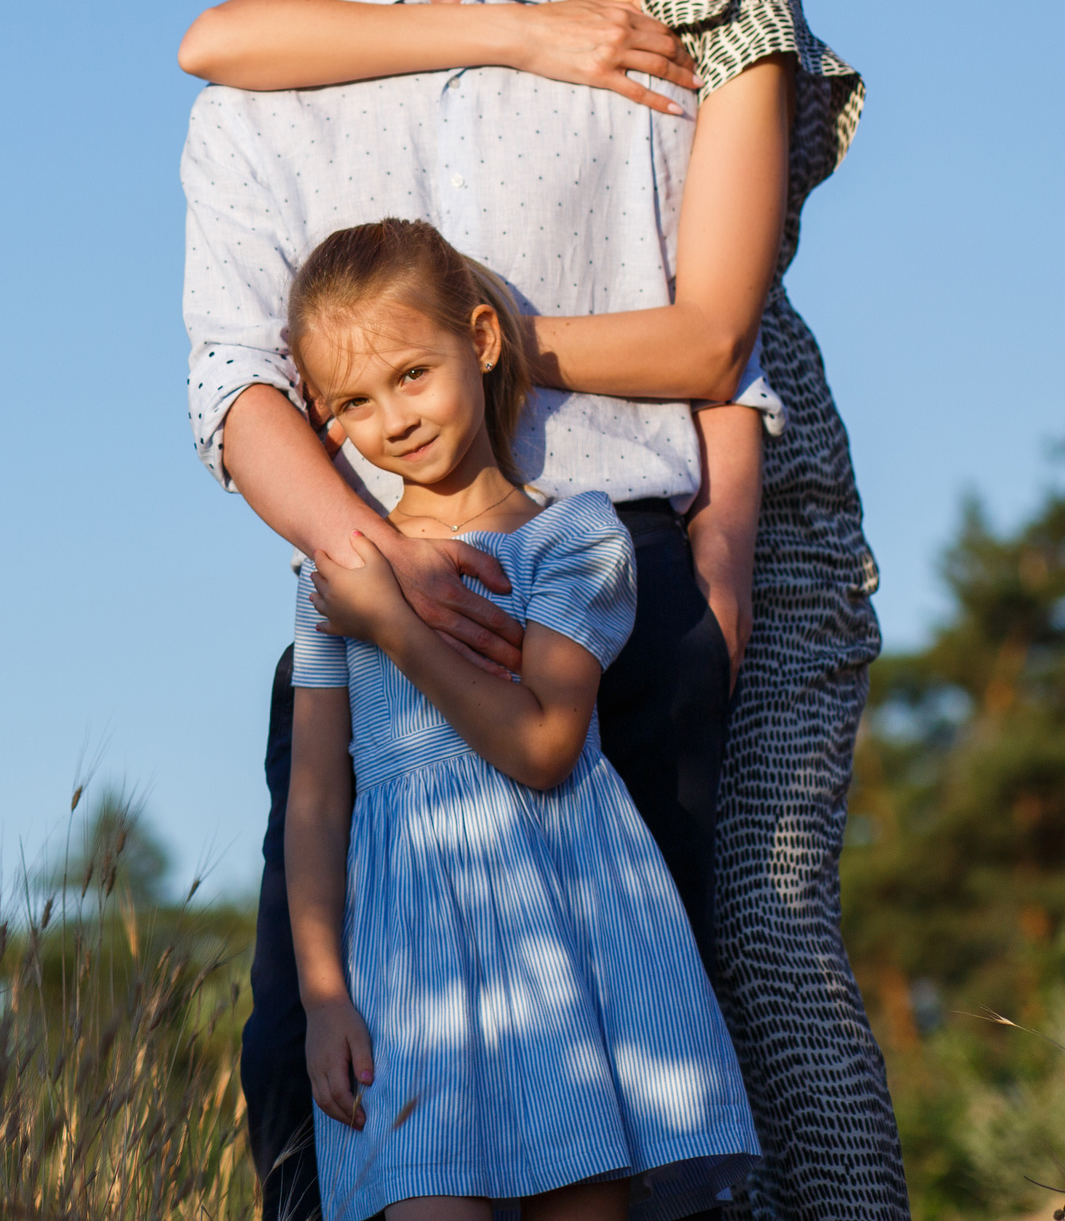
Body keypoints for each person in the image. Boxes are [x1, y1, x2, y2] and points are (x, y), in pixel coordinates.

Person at [181, 0, 900, 1221]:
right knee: (314, 1067)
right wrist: (365, 563)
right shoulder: (256, 100)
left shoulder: (648, 22)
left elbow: (721, 337)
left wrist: (719, 566)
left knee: (680, 1062)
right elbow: (233, 383)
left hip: (620, 575)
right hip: (382, 593)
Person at [283, 218, 755, 1221]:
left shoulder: (571, 539)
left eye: (412, 374)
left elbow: (542, 747)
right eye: (355, 401)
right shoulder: (334, 578)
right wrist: (323, 993)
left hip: (567, 949)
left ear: (483, 340)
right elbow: (316, 800)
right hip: (408, 967)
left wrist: (395, 626)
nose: (393, 419)